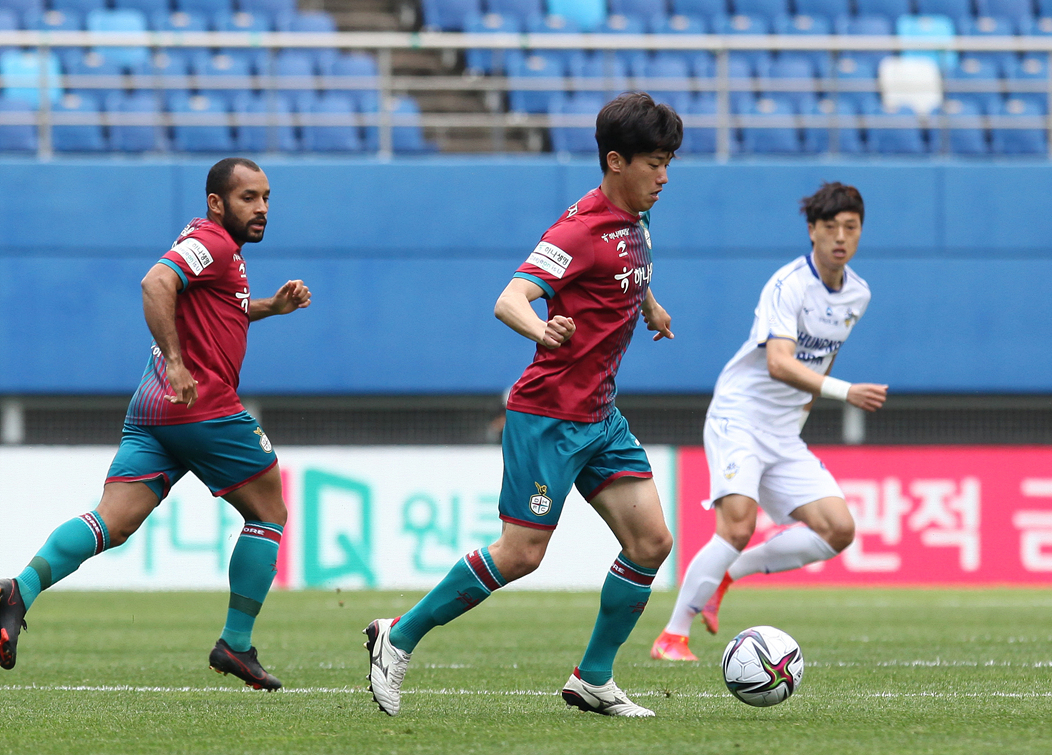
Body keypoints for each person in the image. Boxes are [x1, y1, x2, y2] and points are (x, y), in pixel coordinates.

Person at [365, 92, 681, 717]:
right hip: (549, 417)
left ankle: (593, 678)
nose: (664, 176)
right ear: (615, 162)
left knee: (651, 543)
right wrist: (543, 330)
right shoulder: (578, 230)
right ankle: (396, 637)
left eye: (668, 163)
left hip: (600, 418)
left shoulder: (638, 219)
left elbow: (627, 272)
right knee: (521, 554)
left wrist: (649, 306)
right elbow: (509, 299)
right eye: (654, 164)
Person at [0, 158, 312, 690]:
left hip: (154, 409)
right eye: (248, 198)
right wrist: (176, 360)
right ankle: (235, 645)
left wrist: (268, 307)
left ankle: (17, 592)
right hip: (201, 404)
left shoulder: (212, 246)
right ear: (216, 202)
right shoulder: (213, 242)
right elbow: (156, 282)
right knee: (269, 512)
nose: (261, 208)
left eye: (265, 198)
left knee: (112, 521)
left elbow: (213, 308)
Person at [650, 182, 887, 661]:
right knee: (737, 526)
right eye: (831, 227)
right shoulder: (788, 285)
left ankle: (727, 576)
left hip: (782, 431)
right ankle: (672, 636)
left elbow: (824, 357)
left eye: (851, 227)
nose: (841, 237)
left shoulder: (858, 294)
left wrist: (801, 416)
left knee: (838, 529)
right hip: (739, 416)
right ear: (812, 231)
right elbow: (779, 362)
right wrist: (845, 393)